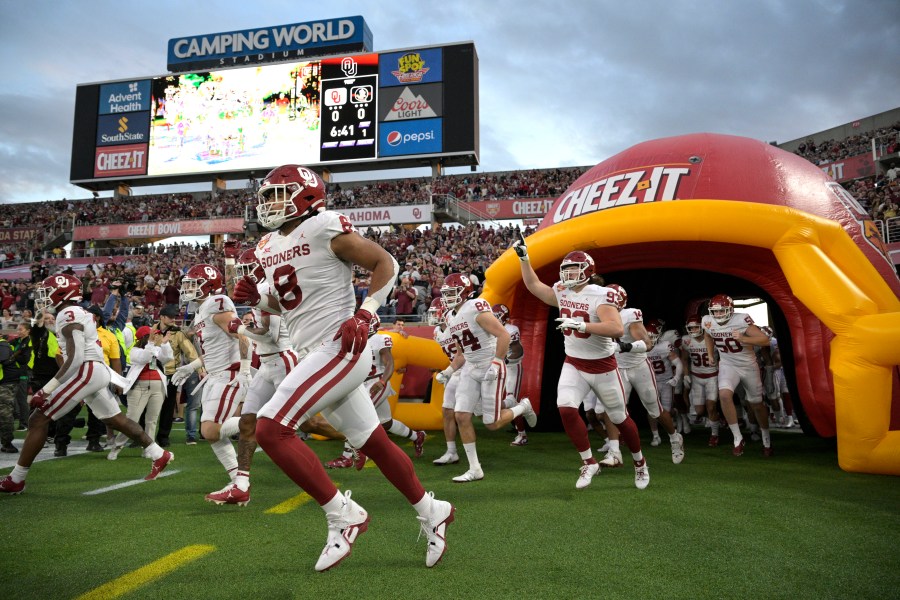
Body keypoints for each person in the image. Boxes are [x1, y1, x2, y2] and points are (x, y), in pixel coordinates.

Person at [233, 164, 454, 570]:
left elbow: (386, 263)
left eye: (278, 193)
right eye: (266, 196)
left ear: (306, 194)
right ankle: (431, 508)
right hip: (311, 349)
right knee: (374, 443)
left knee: (270, 427)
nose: (269, 203)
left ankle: (342, 515)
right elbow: (288, 304)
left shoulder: (324, 226)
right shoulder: (265, 247)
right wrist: (259, 299)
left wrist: (368, 312)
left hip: (339, 344)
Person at [0, 274, 173, 494]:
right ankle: (159, 454)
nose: (45, 296)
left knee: (38, 418)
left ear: (61, 292)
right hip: (95, 370)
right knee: (117, 419)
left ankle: (16, 478)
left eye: (48, 290)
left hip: (86, 370)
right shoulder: (76, 312)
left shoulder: (68, 313)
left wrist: (47, 389)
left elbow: (76, 358)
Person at [515, 242, 649, 490]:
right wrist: (524, 260)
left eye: (574, 269)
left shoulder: (601, 294)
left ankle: (640, 463)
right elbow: (534, 286)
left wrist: (583, 326)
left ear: (587, 270)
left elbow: (616, 328)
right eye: (566, 269)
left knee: (620, 419)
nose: (568, 274)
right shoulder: (562, 291)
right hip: (574, 363)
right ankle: (589, 461)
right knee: (565, 409)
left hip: (604, 366)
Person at [438, 273, 537, 483]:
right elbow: (461, 353)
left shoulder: (476, 306)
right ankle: (475, 469)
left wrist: (497, 362)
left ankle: (523, 406)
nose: (447, 297)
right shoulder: (450, 317)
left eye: (451, 292)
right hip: (470, 368)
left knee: (491, 424)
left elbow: (504, 335)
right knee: (461, 416)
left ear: (464, 292)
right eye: (445, 293)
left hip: (489, 365)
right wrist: (448, 371)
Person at [170, 264, 252, 500]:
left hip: (229, 373)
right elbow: (214, 349)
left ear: (209, 285)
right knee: (211, 433)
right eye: (187, 284)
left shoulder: (217, 302)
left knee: (210, 430)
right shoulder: (202, 310)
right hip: (215, 375)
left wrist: (245, 370)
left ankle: (261, 422)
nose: (187, 288)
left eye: (193, 283)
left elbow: (242, 335)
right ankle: (238, 483)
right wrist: (191, 366)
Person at [607, 286, 685, 465]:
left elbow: (647, 344)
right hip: (617, 368)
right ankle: (614, 451)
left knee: (654, 409)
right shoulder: (598, 314)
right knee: (612, 408)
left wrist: (624, 347)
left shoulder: (630, 315)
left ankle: (674, 438)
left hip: (638, 366)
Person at [702, 294, 774, 457]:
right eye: (715, 312)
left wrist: (743, 338)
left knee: (756, 404)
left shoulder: (741, 320)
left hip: (748, 366)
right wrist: (710, 354)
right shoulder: (707, 320)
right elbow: (707, 334)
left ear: (731, 310)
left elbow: (765, 340)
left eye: (722, 311)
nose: (718, 315)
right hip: (728, 364)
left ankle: (766, 437)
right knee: (724, 395)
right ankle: (737, 437)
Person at [107, 326, 172, 460]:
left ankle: (149, 449)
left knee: (152, 420)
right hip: (139, 387)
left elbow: (167, 358)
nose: (157, 337)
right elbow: (145, 358)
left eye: (157, 335)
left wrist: (165, 343)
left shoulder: (156, 348)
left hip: (157, 386)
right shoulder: (135, 351)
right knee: (132, 419)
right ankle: (117, 446)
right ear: (144, 338)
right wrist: (151, 343)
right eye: (154, 335)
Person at [156, 304, 200, 446]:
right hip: (153, 373)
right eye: (170, 317)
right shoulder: (152, 331)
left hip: (170, 375)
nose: (173, 320)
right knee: (147, 407)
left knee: (168, 408)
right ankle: (144, 435)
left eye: (174, 317)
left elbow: (190, 352)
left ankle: (163, 436)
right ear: (162, 317)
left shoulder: (178, 333)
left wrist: (199, 368)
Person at [643, 319, 685, 456]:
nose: (650, 340)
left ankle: (675, 415)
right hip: (651, 382)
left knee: (665, 412)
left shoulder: (665, 346)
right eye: (648, 336)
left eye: (653, 337)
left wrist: (676, 378)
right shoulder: (639, 347)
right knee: (651, 410)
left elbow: (678, 363)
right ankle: (655, 435)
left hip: (666, 381)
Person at [431, 298, 463, 466]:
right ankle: (451, 452)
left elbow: (462, 353)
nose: (433, 316)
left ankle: (518, 406)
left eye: (435, 312)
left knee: (489, 418)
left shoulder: (455, 325)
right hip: (455, 371)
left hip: (469, 368)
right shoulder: (437, 332)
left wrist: (447, 372)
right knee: (447, 411)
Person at [492, 303, 529, 446]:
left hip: (511, 368)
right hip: (496, 368)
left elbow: (517, 350)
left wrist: (504, 359)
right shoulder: (488, 329)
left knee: (511, 400)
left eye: (496, 316)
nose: (493, 319)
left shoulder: (511, 330)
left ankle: (522, 434)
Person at [680, 315, 720, 444]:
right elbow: (685, 359)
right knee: (699, 410)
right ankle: (714, 417)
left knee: (711, 406)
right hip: (697, 376)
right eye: (690, 328)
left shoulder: (711, 338)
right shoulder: (686, 340)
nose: (693, 330)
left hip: (712, 375)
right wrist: (686, 375)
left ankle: (714, 434)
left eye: (696, 327)